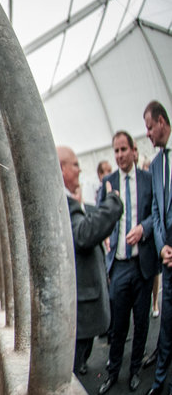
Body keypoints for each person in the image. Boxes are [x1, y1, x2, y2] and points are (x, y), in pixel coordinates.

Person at [98, 131, 157, 394]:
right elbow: (101, 218)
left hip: (142, 265)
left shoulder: (147, 179)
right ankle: (112, 373)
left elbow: (156, 213)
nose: (120, 155)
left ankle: (135, 371)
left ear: (134, 150)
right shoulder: (109, 183)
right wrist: (106, 238)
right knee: (118, 325)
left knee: (142, 322)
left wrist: (143, 229)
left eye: (124, 149)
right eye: (116, 151)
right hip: (119, 266)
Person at [58, 146, 123, 376]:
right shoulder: (63, 203)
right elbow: (84, 235)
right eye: (75, 164)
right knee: (74, 370)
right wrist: (113, 204)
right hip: (81, 307)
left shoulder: (66, 201)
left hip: (83, 302)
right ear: (62, 169)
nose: (79, 169)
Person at [144, 100, 172, 395]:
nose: (149, 135)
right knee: (166, 324)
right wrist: (163, 245)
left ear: (162, 122)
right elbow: (156, 210)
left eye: (150, 128)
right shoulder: (156, 165)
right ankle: (161, 381)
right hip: (168, 260)